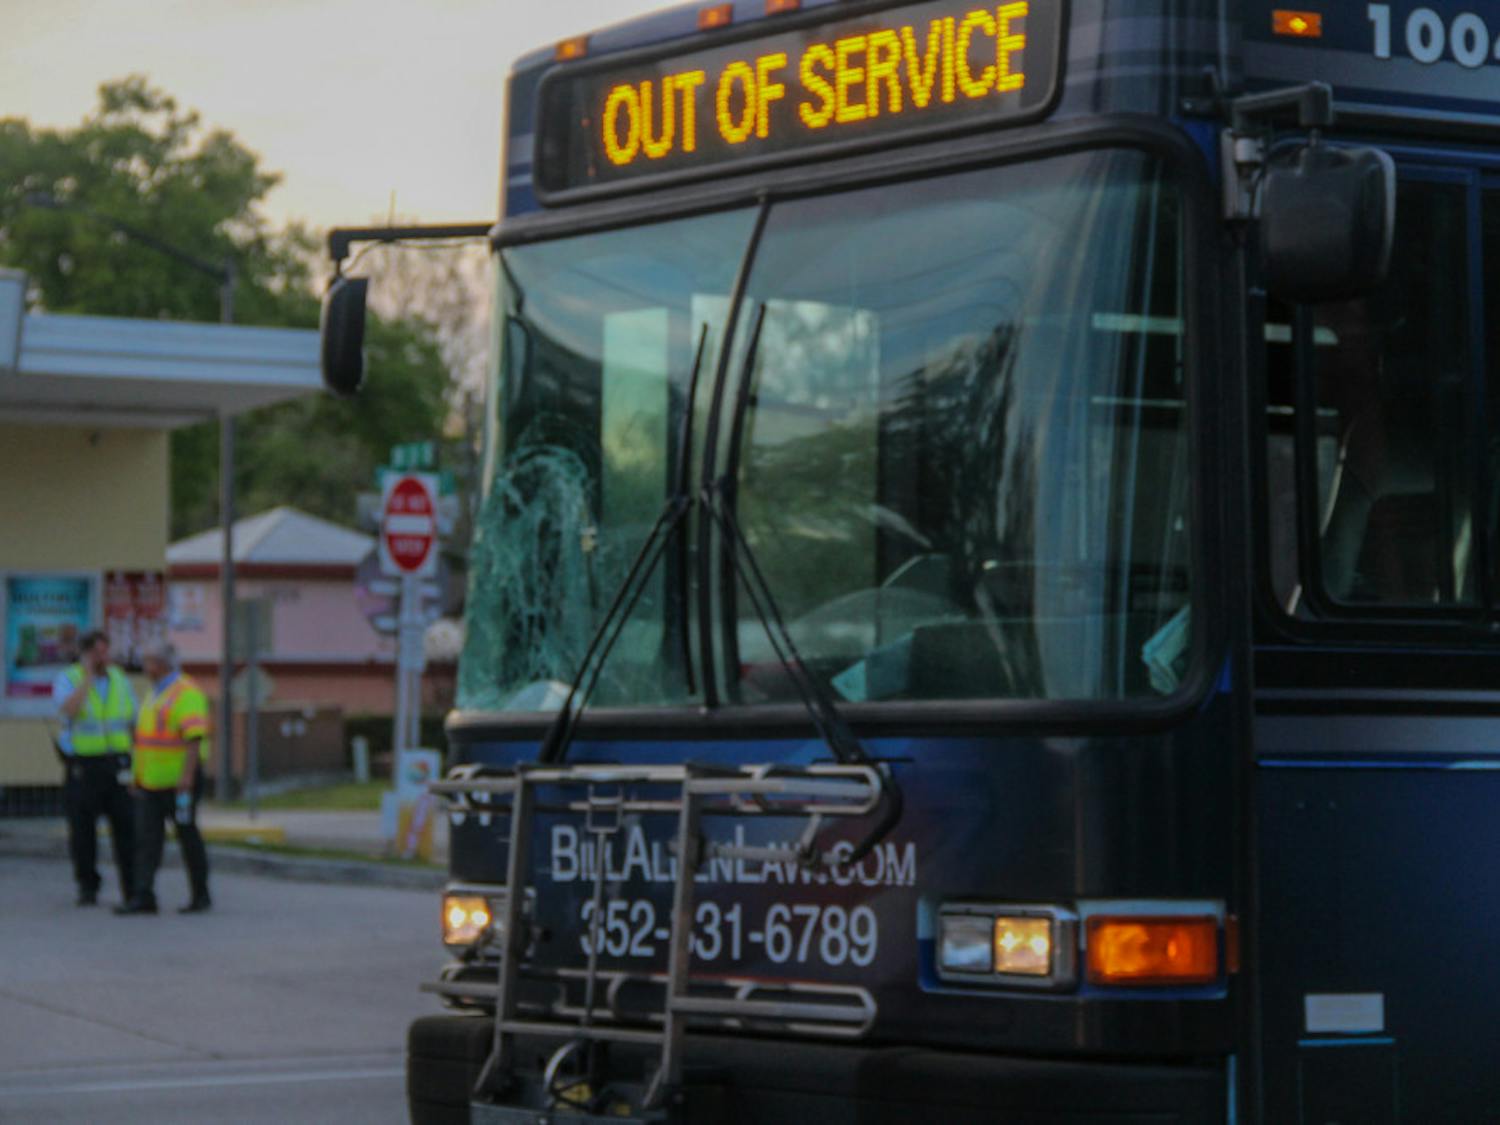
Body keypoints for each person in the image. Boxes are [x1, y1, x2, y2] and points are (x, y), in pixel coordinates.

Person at [116, 641, 212, 915]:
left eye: (148, 661)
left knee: (187, 836)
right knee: (147, 840)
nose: (144, 667)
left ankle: (200, 894)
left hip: (179, 783)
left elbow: (194, 737)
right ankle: (143, 895)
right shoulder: (156, 693)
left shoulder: (186, 692)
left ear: (161, 664)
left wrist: (187, 776)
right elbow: (144, 741)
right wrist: (137, 776)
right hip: (151, 782)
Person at [52, 630, 137, 906]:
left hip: (117, 762)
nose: (104, 658)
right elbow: (69, 710)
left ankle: (133, 887)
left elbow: (132, 719)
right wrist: (87, 677)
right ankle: (88, 885)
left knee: (126, 828)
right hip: (84, 765)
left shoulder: (120, 679)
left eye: (106, 651)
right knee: (83, 831)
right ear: (86, 653)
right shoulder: (69, 678)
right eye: (98, 653)